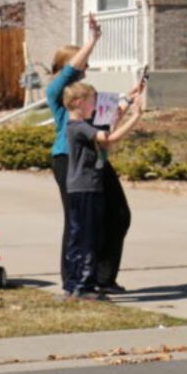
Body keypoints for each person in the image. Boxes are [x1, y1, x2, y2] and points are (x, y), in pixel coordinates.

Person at [61, 82, 145, 301]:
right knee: (88, 237)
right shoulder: (79, 127)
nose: (95, 106)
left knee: (79, 236)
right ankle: (84, 285)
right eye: (91, 102)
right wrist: (136, 117)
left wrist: (127, 99)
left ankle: (73, 284)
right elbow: (109, 138)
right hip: (86, 187)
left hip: (81, 188)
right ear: (79, 103)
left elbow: (107, 125)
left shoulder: (77, 125)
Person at [46, 12, 100, 280]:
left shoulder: (81, 96)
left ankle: (93, 276)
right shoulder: (55, 91)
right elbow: (70, 71)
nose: (85, 70)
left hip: (87, 160)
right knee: (74, 219)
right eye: (82, 65)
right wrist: (93, 40)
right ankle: (71, 278)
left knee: (93, 219)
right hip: (66, 159)